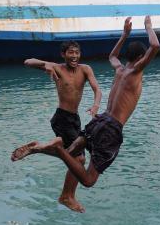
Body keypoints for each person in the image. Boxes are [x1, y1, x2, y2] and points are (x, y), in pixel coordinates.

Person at [11, 16, 160, 211]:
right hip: (111, 127)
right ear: (141, 58)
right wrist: (149, 28)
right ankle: (57, 149)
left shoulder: (119, 69)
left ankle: (58, 181)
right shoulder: (136, 71)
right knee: (88, 179)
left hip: (99, 120)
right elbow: (155, 46)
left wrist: (124, 35)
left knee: (73, 154)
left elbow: (112, 56)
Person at [19, 41, 102, 212]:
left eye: (77, 53)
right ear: (63, 54)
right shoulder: (57, 67)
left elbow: (97, 89)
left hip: (75, 119)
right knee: (78, 159)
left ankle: (36, 149)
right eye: (70, 52)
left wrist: (95, 105)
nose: (74, 56)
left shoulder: (85, 69)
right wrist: (46, 66)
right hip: (62, 118)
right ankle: (67, 196)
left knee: (71, 155)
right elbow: (28, 62)